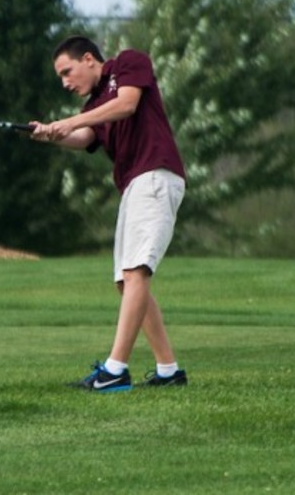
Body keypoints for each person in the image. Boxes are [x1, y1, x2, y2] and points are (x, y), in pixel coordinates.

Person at [30, 35, 188, 392]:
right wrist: (49, 135)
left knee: (135, 273)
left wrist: (70, 121)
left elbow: (127, 104)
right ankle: (169, 371)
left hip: (155, 174)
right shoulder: (95, 104)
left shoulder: (130, 63)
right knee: (126, 280)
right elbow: (85, 137)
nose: (65, 82)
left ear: (89, 59)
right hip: (134, 184)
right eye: (60, 77)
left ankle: (116, 370)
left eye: (67, 72)